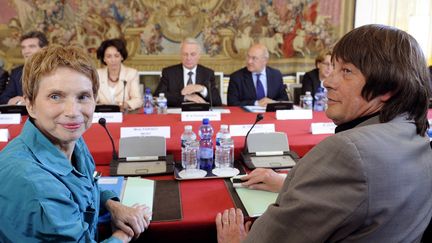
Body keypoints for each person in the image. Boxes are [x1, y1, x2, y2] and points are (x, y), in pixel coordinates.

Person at [216, 24, 432, 242]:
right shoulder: (417, 135)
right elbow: (368, 191)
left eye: (346, 71)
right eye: (333, 68)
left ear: (386, 88)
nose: (328, 81)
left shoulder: (348, 150)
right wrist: (284, 182)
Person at [0, 45, 151, 242]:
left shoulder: (70, 139)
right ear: (30, 105)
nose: (73, 111)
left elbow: (87, 187)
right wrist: (124, 234)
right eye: (55, 96)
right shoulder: (33, 182)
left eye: (83, 97)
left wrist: (113, 205)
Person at [154, 38, 222, 107]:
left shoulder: (208, 73)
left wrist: (202, 89)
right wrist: (185, 97)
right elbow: (158, 96)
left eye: (193, 54)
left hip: (199, 114)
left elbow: (217, 102)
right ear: (180, 55)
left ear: (199, 56)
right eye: (185, 54)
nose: (188, 58)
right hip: (176, 114)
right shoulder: (169, 73)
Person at [0, 31, 48, 105]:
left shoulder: (56, 70)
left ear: (44, 49)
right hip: (24, 114)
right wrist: (14, 101)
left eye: (31, 46)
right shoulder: (16, 72)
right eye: (23, 47)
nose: (26, 51)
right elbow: (4, 98)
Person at [96, 38, 143, 111]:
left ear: (122, 57)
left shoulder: (131, 73)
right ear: (104, 59)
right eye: (109, 56)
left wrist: (126, 104)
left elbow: (137, 100)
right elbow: (92, 99)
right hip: (102, 116)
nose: (113, 60)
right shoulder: (97, 74)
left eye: (116, 56)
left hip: (124, 116)